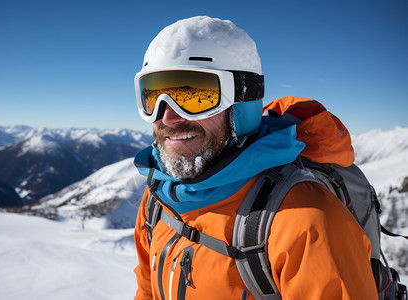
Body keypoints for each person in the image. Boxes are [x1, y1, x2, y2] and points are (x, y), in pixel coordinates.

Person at [133, 16, 378, 300]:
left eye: (193, 96)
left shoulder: (306, 221)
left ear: (241, 102)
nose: (167, 117)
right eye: (152, 97)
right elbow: (147, 289)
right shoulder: (158, 200)